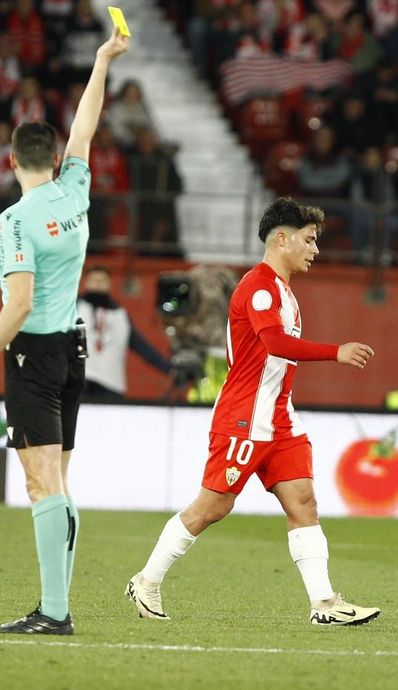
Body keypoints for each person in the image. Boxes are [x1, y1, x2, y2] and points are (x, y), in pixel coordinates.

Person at [0, 29, 131, 637]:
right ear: (55, 161)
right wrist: (102, 59)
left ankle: (54, 611)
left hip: (33, 355)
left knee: (40, 483)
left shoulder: (15, 220)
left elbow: (20, 301)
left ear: (10, 162)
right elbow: (86, 126)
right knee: (59, 482)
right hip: (72, 352)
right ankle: (57, 605)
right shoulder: (74, 192)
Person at [128, 198, 382, 627]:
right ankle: (146, 580)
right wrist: (335, 351)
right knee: (212, 507)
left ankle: (324, 604)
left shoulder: (284, 291)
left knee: (304, 501)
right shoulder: (259, 287)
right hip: (245, 417)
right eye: (308, 240)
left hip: (280, 418)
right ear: (282, 239)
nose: (315, 249)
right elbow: (275, 344)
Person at [77, 266, 171, 401]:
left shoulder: (120, 314)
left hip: (111, 382)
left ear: (110, 284)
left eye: (102, 281)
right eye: (94, 280)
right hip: (79, 381)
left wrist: (169, 369)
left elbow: (142, 346)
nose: (98, 285)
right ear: (85, 282)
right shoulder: (73, 308)